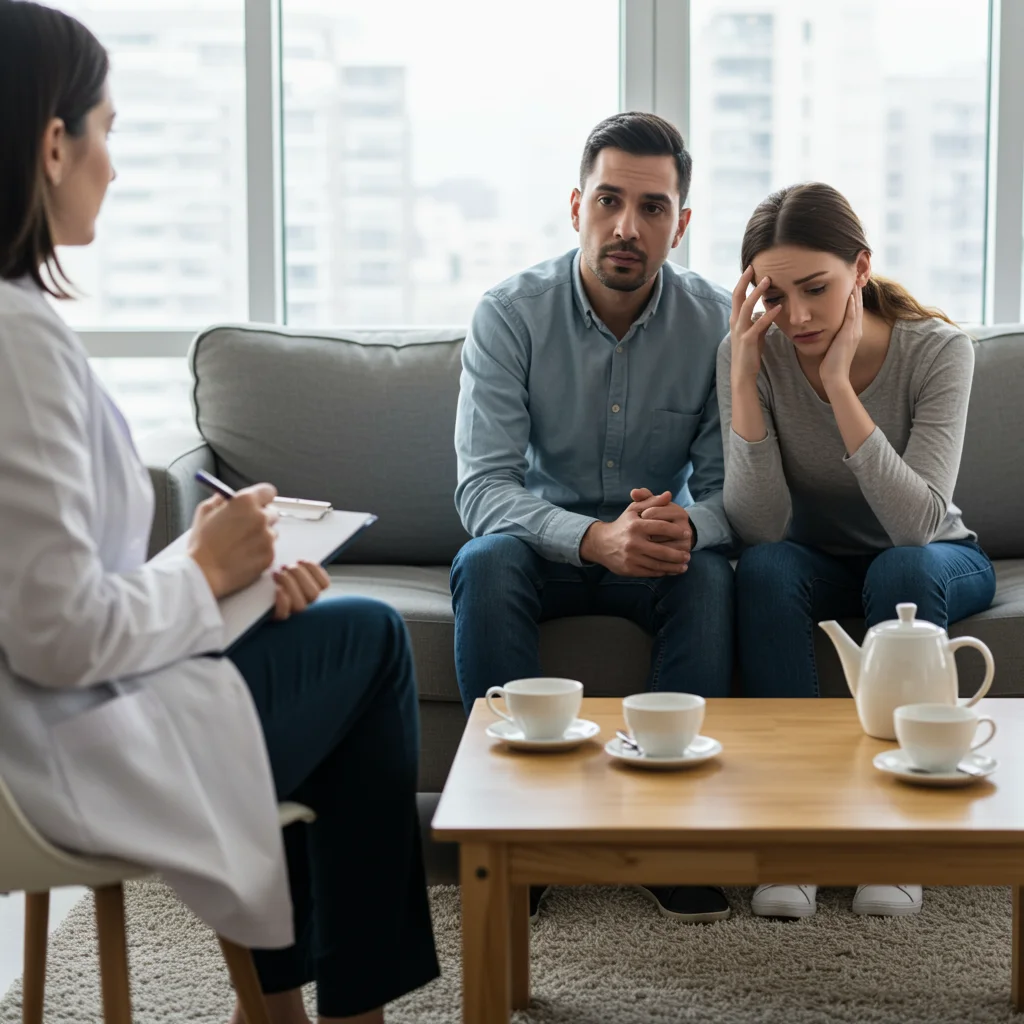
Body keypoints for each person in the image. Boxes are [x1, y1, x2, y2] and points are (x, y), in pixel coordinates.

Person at [0, 5, 438, 1023]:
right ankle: (342, 1012)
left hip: (61, 719)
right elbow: (59, 634)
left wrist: (227, 584)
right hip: (57, 752)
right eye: (106, 131)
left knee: (312, 636)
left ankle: (280, 1009)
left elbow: (50, 589)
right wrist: (201, 569)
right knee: (368, 643)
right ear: (53, 143)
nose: (113, 163)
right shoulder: (19, 349)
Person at [452, 111, 736, 924]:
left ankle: (673, 843)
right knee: (486, 560)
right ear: (575, 205)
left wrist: (689, 527)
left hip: (650, 555)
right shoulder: (509, 314)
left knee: (709, 573)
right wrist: (589, 537)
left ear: (680, 226)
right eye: (609, 201)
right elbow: (483, 489)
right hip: (544, 550)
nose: (626, 227)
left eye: (652, 209)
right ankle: (517, 838)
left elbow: (727, 493)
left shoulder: (715, 325)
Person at [718, 181, 995, 921]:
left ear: (861, 269)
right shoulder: (754, 355)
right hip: (816, 563)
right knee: (769, 569)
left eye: (817, 288)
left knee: (900, 567)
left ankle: (896, 842)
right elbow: (761, 526)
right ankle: (795, 836)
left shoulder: (939, 352)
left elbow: (916, 523)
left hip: (936, 557)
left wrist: (839, 387)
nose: (798, 315)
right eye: (774, 296)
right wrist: (744, 378)